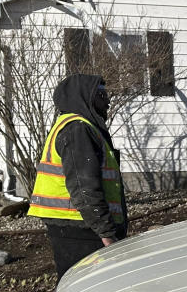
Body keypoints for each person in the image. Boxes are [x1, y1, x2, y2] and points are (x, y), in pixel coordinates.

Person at [27, 74, 128, 279]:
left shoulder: (80, 126)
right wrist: (107, 233)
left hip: (77, 225)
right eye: (102, 94)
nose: (108, 100)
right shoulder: (77, 129)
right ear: (85, 97)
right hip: (79, 229)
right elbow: (84, 187)